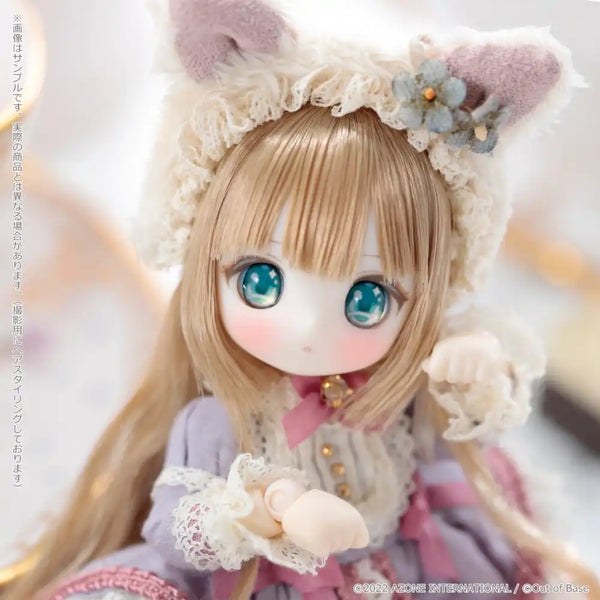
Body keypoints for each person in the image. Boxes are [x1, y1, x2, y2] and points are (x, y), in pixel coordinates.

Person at [4, 1, 598, 599]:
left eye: (369, 297)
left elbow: (464, 439)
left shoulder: (397, 399)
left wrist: (472, 362)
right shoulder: (223, 420)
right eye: (261, 281)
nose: (309, 326)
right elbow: (179, 527)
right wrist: (274, 509)